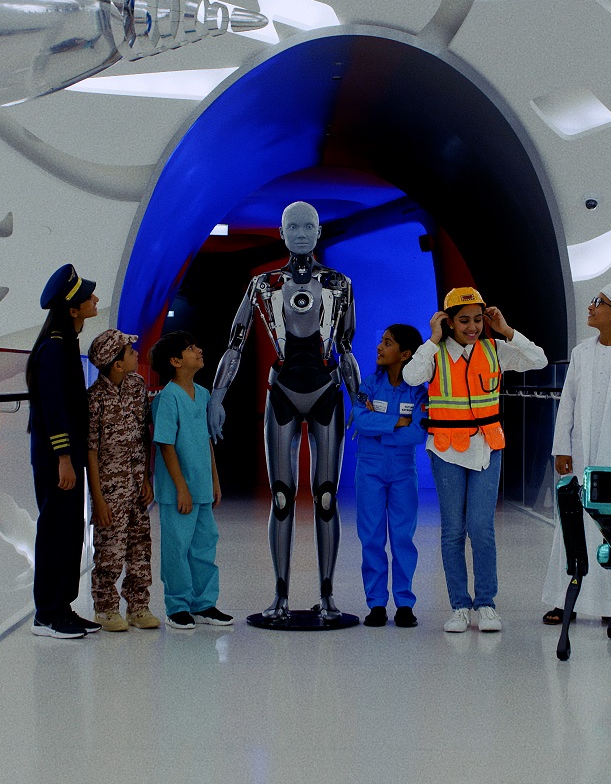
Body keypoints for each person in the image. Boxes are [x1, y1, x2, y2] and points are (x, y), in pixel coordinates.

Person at [207, 201, 362, 623]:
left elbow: (346, 347)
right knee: (281, 497)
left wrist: (359, 399)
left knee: (326, 497)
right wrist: (217, 396)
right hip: (282, 393)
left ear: (319, 231)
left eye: (308, 226)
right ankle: (280, 597)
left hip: (327, 390)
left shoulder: (340, 284)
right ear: (281, 232)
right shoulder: (263, 284)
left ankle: (327, 596)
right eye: (292, 226)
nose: (300, 233)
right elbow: (235, 343)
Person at [404, 287, 548, 633]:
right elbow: (410, 376)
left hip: (486, 448)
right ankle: (459, 606)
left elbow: (539, 359)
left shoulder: (495, 349)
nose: (472, 327)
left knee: (481, 529)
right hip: (445, 450)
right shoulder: (435, 353)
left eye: (478, 320)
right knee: (453, 530)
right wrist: (431, 339)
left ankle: (486, 604)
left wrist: (507, 330)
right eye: (464, 320)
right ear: (449, 322)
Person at [542, 283, 611, 628]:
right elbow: (568, 403)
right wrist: (561, 447)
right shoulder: (581, 353)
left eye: (599, 303)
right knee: (572, 523)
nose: (591, 307)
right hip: (580, 455)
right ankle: (564, 599)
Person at [28, 264, 100, 639]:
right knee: (56, 530)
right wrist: (64, 458)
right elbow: (54, 407)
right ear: (72, 310)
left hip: (66, 455)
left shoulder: (65, 343)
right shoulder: (55, 348)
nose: (95, 299)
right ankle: (47, 613)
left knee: (70, 530)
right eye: (87, 298)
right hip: (58, 457)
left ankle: (62, 605)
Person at [151, 330, 228, 631]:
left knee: (204, 546)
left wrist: (215, 481)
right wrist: (182, 488)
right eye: (190, 348)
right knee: (177, 548)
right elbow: (165, 444)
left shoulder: (203, 394)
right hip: (177, 492)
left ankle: (204, 603)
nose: (198, 350)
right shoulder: (168, 398)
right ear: (175, 361)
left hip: (202, 488)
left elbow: (206, 440)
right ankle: (178, 606)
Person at [355, 323, 428, 628]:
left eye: (387, 343)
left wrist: (380, 424)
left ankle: (404, 603)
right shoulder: (369, 385)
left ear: (405, 353)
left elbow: (418, 433)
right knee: (371, 537)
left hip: (403, 470)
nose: (379, 347)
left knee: (402, 537)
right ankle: (376, 604)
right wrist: (398, 421)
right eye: (381, 341)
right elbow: (360, 420)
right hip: (369, 469)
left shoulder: (419, 391)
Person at [86, 329, 158, 632]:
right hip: (110, 491)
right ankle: (105, 609)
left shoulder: (136, 386)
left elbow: (144, 435)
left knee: (140, 548)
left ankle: (138, 607)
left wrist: (146, 478)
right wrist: (98, 499)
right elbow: (90, 451)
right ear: (116, 364)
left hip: (137, 485)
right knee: (110, 552)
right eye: (130, 352)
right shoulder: (94, 399)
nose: (136, 354)